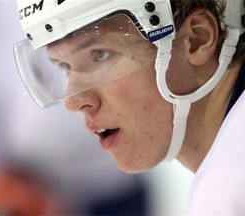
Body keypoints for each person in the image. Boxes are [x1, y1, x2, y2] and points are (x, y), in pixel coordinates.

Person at [14, 0, 245, 214]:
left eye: (100, 54)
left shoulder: (229, 184)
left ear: (197, 39)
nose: (73, 102)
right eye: (65, 66)